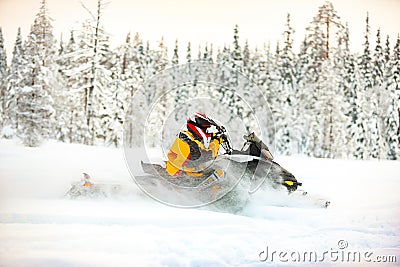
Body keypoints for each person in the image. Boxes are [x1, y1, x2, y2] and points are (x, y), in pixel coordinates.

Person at [166, 112, 230, 178]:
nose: (206, 132)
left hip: (186, 173)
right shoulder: (187, 141)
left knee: (216, 169)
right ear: (197, 127)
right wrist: (217, 140)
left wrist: (215, 137)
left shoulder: (188, 137)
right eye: (205, 129)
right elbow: (206, 155)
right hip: (179, 176)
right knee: (219, 175)